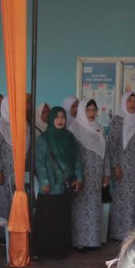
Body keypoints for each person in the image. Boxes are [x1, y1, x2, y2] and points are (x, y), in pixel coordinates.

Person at [33, 107, 82, 260]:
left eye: (63, 117)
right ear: (51, 119)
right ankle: (46, 252)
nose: (60, 120)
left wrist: (79, 178)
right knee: (49, 220)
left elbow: (77, 160)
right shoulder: (44, 139)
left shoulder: (70, 138)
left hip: (65, 185)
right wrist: (45, 182)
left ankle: (61, 250)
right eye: (57, 117)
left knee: (62, 220)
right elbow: (39, 163)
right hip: (50, 188)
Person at [107, 93, 135, 241]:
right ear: (124, 102)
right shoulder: (117, 121)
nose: (132, 104)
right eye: (129, 101)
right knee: (123, 201)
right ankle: (120, 234)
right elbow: (112, 146)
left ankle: (134, 234)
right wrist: (115, 166)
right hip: (123, 170)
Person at [70, 99, 110, 251]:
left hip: (96, 174)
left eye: (94, 110)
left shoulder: (99, 129)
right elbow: (71, 156)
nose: (92, 113)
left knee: (93, 207)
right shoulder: (74, 129)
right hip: (81, 175)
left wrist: (106, 174)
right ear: (82, 111)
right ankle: (79, 241)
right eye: (88, 110)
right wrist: (76, 176)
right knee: (80, 208)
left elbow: (105, 153)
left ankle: (92, 240)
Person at [0, 97, 28, 234]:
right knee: (3, 205)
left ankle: (15, 234)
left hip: (17, 173)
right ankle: (1, 236)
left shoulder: (23, 124)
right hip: (3, 173)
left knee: (15, 204)